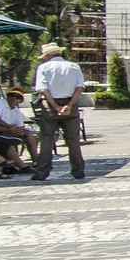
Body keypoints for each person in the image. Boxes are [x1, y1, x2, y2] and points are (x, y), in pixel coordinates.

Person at [31, 40, 86, 181]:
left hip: (50, 105)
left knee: (47, 139)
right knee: (73, 141)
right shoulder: (74, 66)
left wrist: (55, 106)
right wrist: (69, 105)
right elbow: (79, 88)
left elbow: (43, 90)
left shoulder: (44, 68)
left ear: (47, 55)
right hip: (70, 103)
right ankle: (78, 170)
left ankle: (43, 171)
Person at [0, 87, 42, 162]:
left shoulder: (16, 110)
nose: (16, 103)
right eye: (15, 100)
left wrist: (21, 130)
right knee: (24, 134)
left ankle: (36, 160)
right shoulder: (0, 103)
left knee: (31, 135)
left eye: (18, 101)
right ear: (10, 98)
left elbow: (20, 125)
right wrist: (8, 126)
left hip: (12, 130)